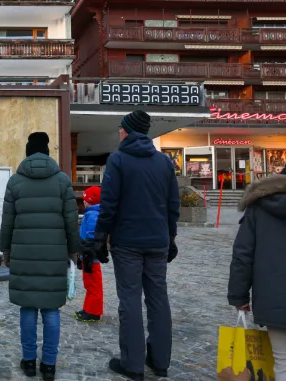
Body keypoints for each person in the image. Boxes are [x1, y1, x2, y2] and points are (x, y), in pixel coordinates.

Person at [90, 110, 180, 381]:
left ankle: (133, 364)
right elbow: (173, 206)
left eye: (120, 127)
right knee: (158, 299)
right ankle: (160, 361)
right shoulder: (164, 163)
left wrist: (99, 239)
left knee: (129, 300)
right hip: (157, 241)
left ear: (128, 130)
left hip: (127, 242)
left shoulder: (117, 160)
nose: (118, 131)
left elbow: (109, 205)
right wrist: (170, 237)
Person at [0, 132, 81, 381]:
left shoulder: (15, 182)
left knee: (27, 306)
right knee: (51, 309)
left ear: (27, 152)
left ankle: (28, 361)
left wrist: (6, 250)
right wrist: (73, 250)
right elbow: (70, 219)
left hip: (23, 253)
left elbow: (7, 222)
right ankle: (49, 365)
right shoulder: (63, 181)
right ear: (47, 152)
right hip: (54, 253)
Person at [228, 169, 286, 381]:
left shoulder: (260, 206)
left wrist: (239, 297)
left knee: (283, 361)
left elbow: (243, 255)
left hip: (275, 300)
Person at [75, 186, 104, 323]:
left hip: (90, 255)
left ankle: (93, 312)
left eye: (86, 199)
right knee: (89, 283)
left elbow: (91, 236)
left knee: (93, 284)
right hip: (87, 254)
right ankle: (88, 308)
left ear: (91, 201)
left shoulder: (93, 214)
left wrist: (87, 253)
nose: (84, 202)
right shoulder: (92, 213)